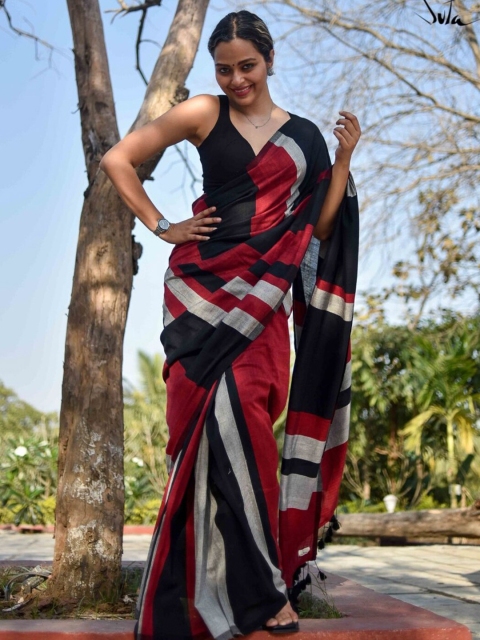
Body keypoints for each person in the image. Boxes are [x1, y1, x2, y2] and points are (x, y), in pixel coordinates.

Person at [100, 10, 360, 640]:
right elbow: (118, 159)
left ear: (269, 61)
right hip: (200, 292)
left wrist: (344, 159)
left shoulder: (304, 139)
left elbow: (321, 227)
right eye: (225, 69)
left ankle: (253, 583)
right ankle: (251, 596)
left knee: (249, 426)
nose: (237, 79)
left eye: (247, 66)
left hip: (264, 299)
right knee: (202, 431)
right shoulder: (202, 112)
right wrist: (164, 226)